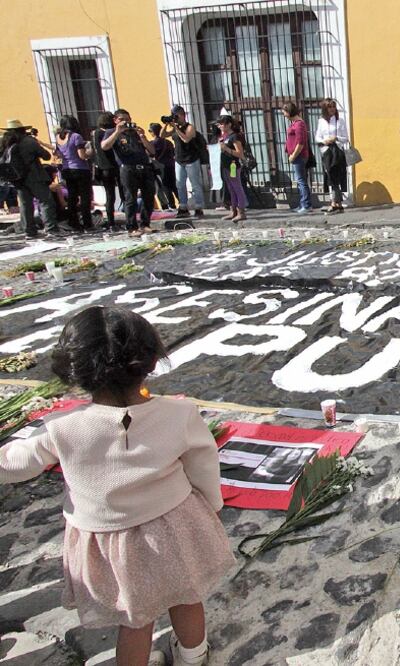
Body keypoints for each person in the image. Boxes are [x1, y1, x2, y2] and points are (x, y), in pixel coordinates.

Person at [0, 306, 234, 666]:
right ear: (151, 361)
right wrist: (212, 504)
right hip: (174, 528)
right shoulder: (179, 414)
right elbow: (204, 465)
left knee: (135, 618)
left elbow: (15, 463)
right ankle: (194, 656)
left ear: (75, 370)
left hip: (110, 545)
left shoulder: (62, 427)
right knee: (187, 597)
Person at [100, 109, 157, 237]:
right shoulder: (111, 132)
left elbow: (152, 151)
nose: (125, 122)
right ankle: (132, 227)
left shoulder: (135, 132)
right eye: (122, 119)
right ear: (115, 120)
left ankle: (145, 224)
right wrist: (117, 131)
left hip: (144, 166)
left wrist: (142, 137)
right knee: (130, 198)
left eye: (128, 119)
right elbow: (104, 146)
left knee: (149, 195)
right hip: (127, 168)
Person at [0, 119, 60, 237]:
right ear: (22, 130)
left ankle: (29, 231)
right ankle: (51, 229)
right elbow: (46, 156)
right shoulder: (29, 141)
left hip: (17, 179)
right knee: (45, 201)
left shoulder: (5, 143)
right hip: (34, 176)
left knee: (25, 205)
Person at [162, 105, 205, 219]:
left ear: (183, 115)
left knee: (195, 184)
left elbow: (186, 139)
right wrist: (166, 124)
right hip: (179, 160)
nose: (175, 118)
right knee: (180, 184)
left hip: (191, 159)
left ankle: (199, 207)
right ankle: (183, 207)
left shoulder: (190, 127)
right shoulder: (174, 128)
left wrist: (176, 128)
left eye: (176, 116)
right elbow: (162, 135)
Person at [54, 115, 95, 232]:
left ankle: (73, 222)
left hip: (66, 169)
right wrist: (90, 152)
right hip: (80, 169)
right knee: (85, 197)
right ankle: (87, 223)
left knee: (72, 197)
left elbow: (58, 154)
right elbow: (82, 155)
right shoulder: (76, 136)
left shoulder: (58, 137)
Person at [315, 98, 349, 214]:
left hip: (337, 151)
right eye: (329, 107)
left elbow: (346, 138)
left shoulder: (340, 120)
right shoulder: (321, 121)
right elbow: (317, 137)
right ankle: (337, 204)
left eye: (334, 106)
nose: (332, 109)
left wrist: (336, 138)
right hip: (327, 151)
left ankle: (335, 203)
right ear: (325, 108)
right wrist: (324, 141)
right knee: (330, 176)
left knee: (336, 177)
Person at [92, 112, 122, 230]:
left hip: (101, 167)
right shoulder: (106, 133)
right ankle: (113, 222)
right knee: (119, 193)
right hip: (111, 166)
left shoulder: (95, 133)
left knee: (109, 195)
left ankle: (111, 221)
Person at [217, 115, 248, 223]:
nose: (220, 126)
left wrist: (226, 148)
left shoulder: (234, 137)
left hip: (233, 165)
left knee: (237, 187)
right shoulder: (225, 137)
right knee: (231, 188)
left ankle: (241, 211)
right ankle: (233, 210)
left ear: (229, 124)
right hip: (225, 165)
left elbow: (240, 153)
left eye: (222, 124)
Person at [282, 102, 312, 213]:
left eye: (284, 112)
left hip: (299, 156)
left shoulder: (299, 124)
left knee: (301, 181)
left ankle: (306, 205)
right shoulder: (294, 123)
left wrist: (293, 155)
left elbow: (300, 143)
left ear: (289, 112)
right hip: (296, 156)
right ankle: (303, 204)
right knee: (300, 180)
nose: (284, 115)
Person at [149, 122, 178, 211]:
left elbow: (151, 154)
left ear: (153, 132)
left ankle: (172, 205)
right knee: (174, 185)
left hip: (161, 166)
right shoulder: (168, 142)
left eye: (150, 131)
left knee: (165, 186)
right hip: (171, 165)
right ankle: (182, 202)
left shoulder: (152, 143)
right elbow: (173, 153)